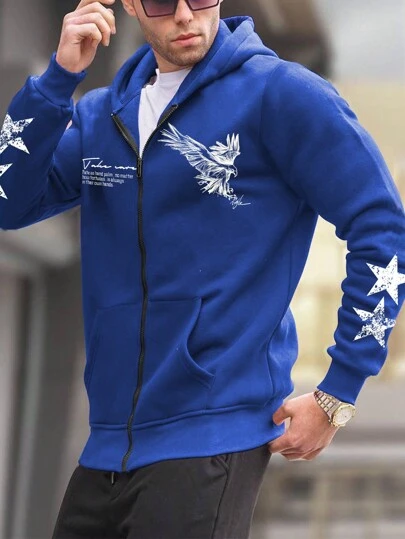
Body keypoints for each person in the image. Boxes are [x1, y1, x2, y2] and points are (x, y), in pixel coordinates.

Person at [1, 0, 405, 537]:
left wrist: (340, 390)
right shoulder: (103, 115)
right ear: (130, 5)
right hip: (107, 446)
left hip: (213, 437)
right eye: (163, 2)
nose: (186, 15)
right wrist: (57, 79)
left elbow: (383, 228)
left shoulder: (280, 94)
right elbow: (8, 201)